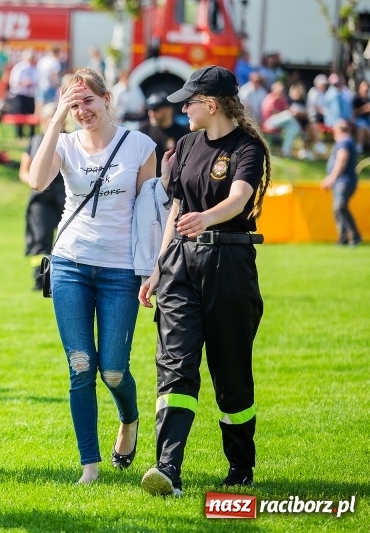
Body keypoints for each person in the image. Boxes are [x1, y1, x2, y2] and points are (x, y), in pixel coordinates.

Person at [137, 65, 271, 497]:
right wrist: (158, 266)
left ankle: (240, 468)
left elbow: (238, 199)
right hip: (179, 263)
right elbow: (176, 209)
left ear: (210, 105)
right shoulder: (187, 144)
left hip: (227, 261)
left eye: (189, 102)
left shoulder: (247, 148)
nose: (183, 109)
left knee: (230, 370)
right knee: (174, 364)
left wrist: (206, 219)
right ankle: (167, 468)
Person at [28, 67, 157, 484]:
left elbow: (149, 214)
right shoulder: (64, 144)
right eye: (73, 103)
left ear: (107, 100)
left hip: (121, 269)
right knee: (81, 365)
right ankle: (90, 466)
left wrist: (151, 269)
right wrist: (54, 120)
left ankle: (129, 420)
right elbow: (36, 179)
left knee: (114, 370)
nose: (82, 110)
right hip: (70, 264)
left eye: (88, 101)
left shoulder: (140, 145)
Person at [19, 102, 65, 291]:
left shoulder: (69, 140)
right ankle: (40, 281)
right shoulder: (36, 140)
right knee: (41, 239)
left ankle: (64, 279)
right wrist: (36, 181)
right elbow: (24, 171)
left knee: (65, 239)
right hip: (41, 198)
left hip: (65, 197)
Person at [321, 119, 362, 246]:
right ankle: (343, 238)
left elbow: (342, 159)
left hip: (343, 181)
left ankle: (354, 236)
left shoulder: (344, 142)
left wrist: (331, 178)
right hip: (343, 181)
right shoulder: (348, 141)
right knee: (338, 210)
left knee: (340, 207)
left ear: (337, 130)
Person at [139, 91, 189, 175]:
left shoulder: (183, 133)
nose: (151, 113)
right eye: (149, 109)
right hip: (148, 181)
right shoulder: (144, 130)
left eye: (155, 109)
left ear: (169, 109)